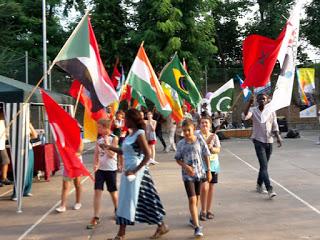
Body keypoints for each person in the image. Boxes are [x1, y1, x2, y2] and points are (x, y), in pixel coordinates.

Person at [103, 109, 168, 240]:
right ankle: (123, 233)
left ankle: (122, 234)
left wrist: (135, 170)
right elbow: (124, 151)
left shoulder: (140, 134)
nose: (124, 120)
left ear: (132, 119)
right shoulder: (130, 134)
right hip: (129, 173)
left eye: (126, 118)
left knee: (138, 201)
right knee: (134, 201)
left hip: (137, 174)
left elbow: (147, 155)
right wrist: (109, 147)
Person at [174, 118, 212, 237]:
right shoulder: (181, 144)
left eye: (188, 130)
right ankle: (197, 226)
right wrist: (186, 167)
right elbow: (177, 159)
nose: (186, 133)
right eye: (184, 131)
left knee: (197, 198)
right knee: (192, 199)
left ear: (193, 129)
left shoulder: (199, 140)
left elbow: (206, 154)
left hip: (199, 174)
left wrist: (209, 171)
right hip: (187, 176)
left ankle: (193, 217)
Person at [242, 93, 282, 199]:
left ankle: (259, 185)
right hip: (258, 141)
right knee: (264, 166)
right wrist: (249, 103)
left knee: (264, 166)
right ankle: (269, 189)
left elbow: (274, 124)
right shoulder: (253, 110)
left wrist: (278, 137)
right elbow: (245, 117)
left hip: (269, 141)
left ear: (267, 100)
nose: (261, 100)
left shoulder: (271, 110)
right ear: (257, 101)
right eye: (259, 99)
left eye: (264, 99)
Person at [87, 119, 120, 229]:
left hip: (111, 169)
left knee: (113, 192)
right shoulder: (99, 139)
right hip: (100, 170)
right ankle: (96, 217)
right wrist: (95, 164)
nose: (98, 129)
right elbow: (96, 154)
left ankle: (117, 210)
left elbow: (112, 155)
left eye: (100, 127)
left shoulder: (114, 138)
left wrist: (106, 145)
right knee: (97, 192)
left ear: (106, 128)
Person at [196, 115, 221, 221]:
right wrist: (206, 145)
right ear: (199, 125)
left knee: (211, 188)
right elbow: (196, 149)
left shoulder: (214, 136)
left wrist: (212, 148)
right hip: (202, 165)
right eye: (202, 123)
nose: (204, 124)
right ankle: (203, 210)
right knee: (204, 187)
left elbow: (218, 149)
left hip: (213, 164)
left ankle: (208, 210)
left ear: (210, 125)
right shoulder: (197, 136)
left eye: (206, 122)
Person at [56, 140, 84, 213]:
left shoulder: (79, 139)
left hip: (76, 163)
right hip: (67, 163)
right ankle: (63, 205)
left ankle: (78, 202)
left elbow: (79, 151)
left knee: (77, 183)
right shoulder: (64, 139)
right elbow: (61, 150)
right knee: (65, 185)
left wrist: (71, 155)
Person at [12, 123, 38, 200]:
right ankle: (16, 193)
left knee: (29, 171)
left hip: (29, 149)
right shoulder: (16, 125)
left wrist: (29, 124)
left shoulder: (27, 125)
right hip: (20, 150)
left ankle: (26, 190)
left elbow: (35, 135)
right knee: (21, 171)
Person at [0, 107, 12, 187]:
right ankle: (3, 178)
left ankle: (4, 178)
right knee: (5, 161)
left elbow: (6, 131)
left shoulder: (2, 122)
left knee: (5, 161)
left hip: (2, 144)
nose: (4, 115)